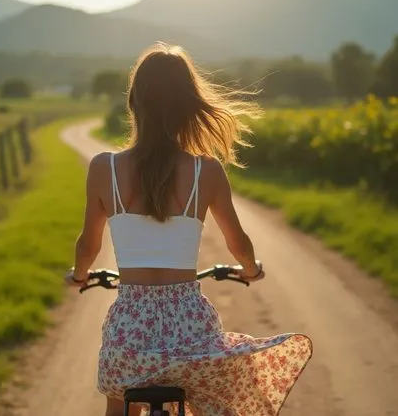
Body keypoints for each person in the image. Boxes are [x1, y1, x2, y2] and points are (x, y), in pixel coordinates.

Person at [65, 43, 313, 416]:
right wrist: (250, 268)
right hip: (190, 333)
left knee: (118, 407)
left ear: (134, 101)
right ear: (187, 105)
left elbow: (88, 245)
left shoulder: (104, 169)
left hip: (128, 335)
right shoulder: (206, 171)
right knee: (207, 404)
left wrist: (80, 275)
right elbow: (237, 242)